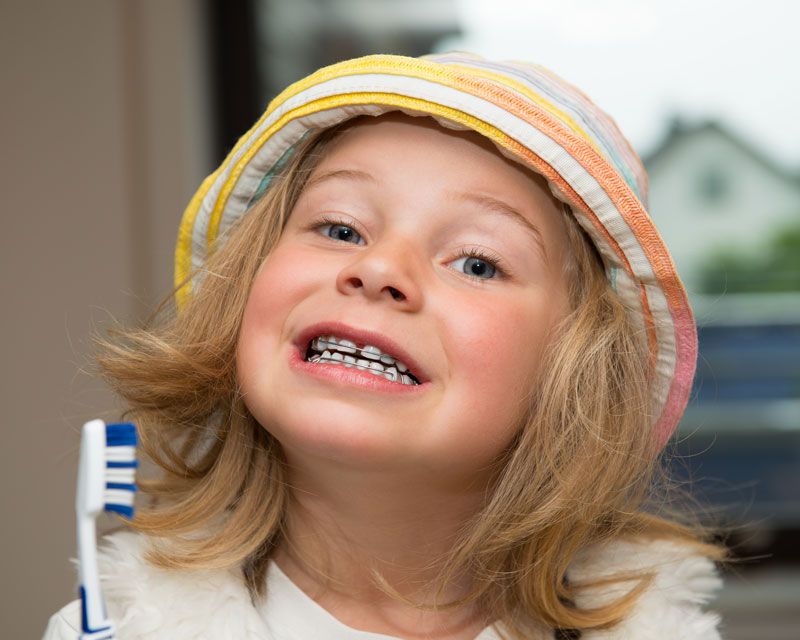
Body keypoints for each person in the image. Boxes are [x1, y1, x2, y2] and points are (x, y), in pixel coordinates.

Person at [43, 52, 727, 639]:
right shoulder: (120, 624)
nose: (379, 270)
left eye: (478, 262)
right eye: (340, 228)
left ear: (575, 378)